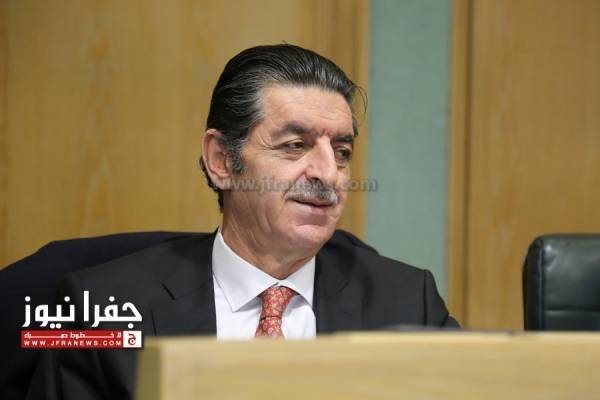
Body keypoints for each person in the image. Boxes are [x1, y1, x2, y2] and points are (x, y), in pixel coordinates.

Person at [27, 44, 458, 399]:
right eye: (295, 145)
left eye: (342, 152)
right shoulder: (98, 308)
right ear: (221, 161)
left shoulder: (408, 303)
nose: (328, 174)